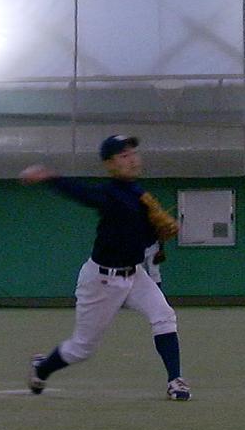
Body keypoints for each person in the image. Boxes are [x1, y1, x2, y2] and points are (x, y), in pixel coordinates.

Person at [18, 135, 191, 401]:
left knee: (164, 316)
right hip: (101, 281)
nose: (132, 159)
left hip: (134, 274)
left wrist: (156, 235)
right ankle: (41, 369)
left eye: (133, 153)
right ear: (110, 164)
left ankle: (175, 380)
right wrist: (49, 177)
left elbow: (142, 239)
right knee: (81, 348)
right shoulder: (110, 194)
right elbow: (83, 194)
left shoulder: (139, 195)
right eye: (124, 155)